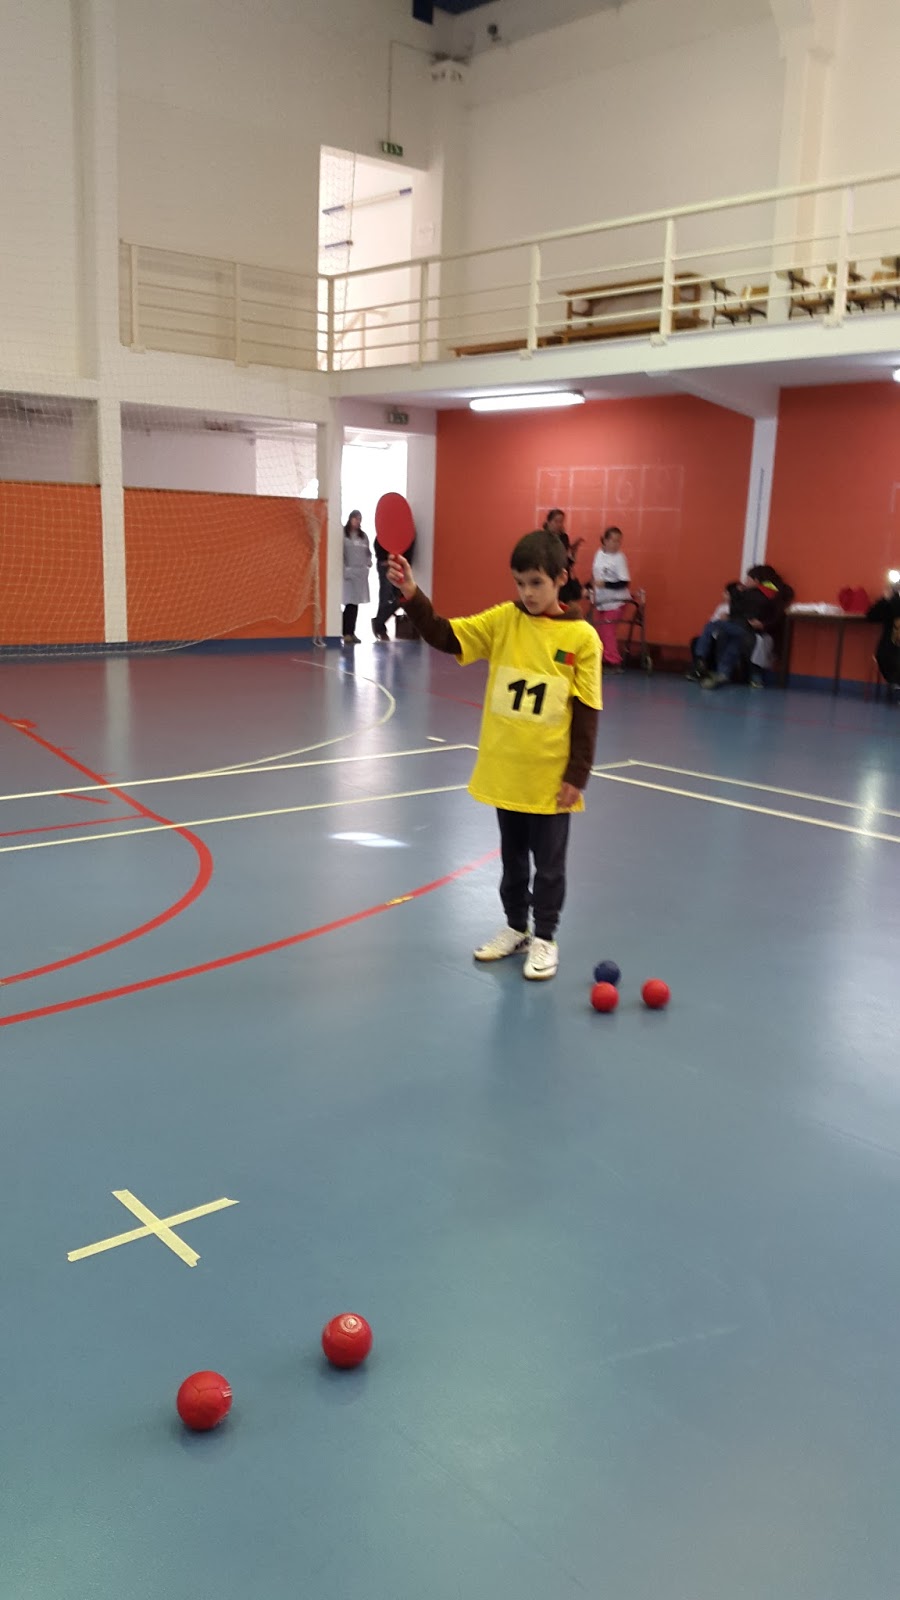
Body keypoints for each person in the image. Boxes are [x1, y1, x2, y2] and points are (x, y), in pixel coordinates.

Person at [387, 528, 601, 982]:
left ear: (561, 578)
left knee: (549, 867)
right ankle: (516, 928)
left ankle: (545, 937)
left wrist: (577, 774)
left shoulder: (583, 638)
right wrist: (412, 594)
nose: (527, 593)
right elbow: (445, 634)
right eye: (520, 583)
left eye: (536, 583)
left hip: (549, 778)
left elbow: (587, 710)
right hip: (506, 771)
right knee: (513, 861)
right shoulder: (504, 620)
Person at [687, 571, 780, 690]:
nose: (745, 582)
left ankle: (701, 658)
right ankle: (723, 674)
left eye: (748, 579)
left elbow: (740, 612)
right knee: (734, 644)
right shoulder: (767, 595)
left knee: (712, 625)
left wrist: (737, 594)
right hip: (745, 630)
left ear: (756, 581)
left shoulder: (752, 595)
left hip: (743, 627)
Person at [590, 525, 631, 672]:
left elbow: (624, 582)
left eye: (619, 541)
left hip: (616, 601)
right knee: (600, 630)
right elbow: (596, 575)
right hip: (601, 600)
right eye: (613, 540)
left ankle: (614, 662)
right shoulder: (599, 554)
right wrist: (589, 587)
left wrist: (605, 584)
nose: (616, 544)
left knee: (608, 630)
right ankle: (602, 658)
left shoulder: (620, 558)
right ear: (605, 540)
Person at [372, 531, 416, 641]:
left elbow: (409, 550)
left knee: (400, 599)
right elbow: (379, 541)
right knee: (386, 596)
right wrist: (384, 559)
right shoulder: (390, 529)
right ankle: (380, 627)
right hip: (386, 565)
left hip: (398, 566)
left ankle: (379, 623)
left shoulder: (407, 531)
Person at [866, 577, 900, 698]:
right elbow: (871, 616)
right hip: (891, 647)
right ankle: (895, 683)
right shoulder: (893, 602)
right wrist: (885, 599)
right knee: (885, 655)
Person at [342, 511, 371, 644]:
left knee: (355, 604)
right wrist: (345, 570)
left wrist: (368, 563)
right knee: (349, 603)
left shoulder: (363, 536)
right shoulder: (343, 535)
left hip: (360, 575)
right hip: (348, 574)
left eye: (359, 519)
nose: (357, 521)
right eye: (355, 518)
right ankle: (345, 632)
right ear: (350, 519)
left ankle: (352, 632)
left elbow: (367, 553)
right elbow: (340, 553)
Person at [543, 508, 583, 605]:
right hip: (549, 576)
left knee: (564, 605)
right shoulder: (543, 538)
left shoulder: (564, 537)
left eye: (561, 522)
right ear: (548, 522)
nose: (559, 524)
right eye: (556, 521)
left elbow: (567, 561)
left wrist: (574, 551)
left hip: (563, 577)